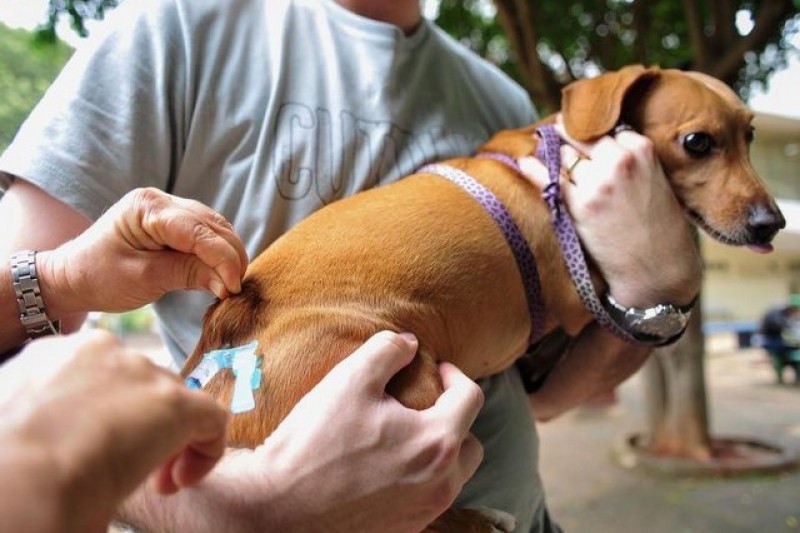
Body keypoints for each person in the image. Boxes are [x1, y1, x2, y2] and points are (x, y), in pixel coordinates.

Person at [0, 0, 701, 531]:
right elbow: (16, 376)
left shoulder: (503, 105)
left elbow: (543, 397)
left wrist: (657, 295)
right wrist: (232, 510)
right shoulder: (174, 28)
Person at [0, 187, 485, 532]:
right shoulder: (157, 47)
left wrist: (60, 278)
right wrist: (244, 509)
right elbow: (26, 401)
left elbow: (545, 398)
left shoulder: (494, 99)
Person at [758, 303, 800, 384]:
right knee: (783, 354)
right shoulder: (776, 314)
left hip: (777, 340)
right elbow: (782, 326)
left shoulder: (783, 314)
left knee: (793, 353)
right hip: (771, 341)